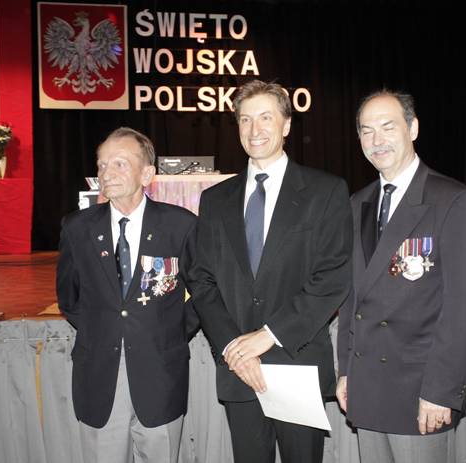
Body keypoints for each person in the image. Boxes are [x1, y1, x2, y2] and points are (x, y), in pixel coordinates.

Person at [190, 79, 353, 463]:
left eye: (266, 117)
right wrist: (233, 348)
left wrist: (268, 335)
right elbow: (201, 279)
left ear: (287, 124)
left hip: (296, 362)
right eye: (245, 119)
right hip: (239, 371)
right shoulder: (215, 200)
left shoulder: (325, 191)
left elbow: (333, 276)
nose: (255, 129)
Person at [336, 90, 466, 462]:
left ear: (413, 128)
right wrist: (346, 371)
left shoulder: (453, 200)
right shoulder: (357, 203)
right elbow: (351, 298)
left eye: (388, 127)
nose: (377, 140)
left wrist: (441, 391)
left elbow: (464, 309)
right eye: (367, 131)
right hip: (367, 385)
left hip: (420, 390)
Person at [56, 127, 198, 463]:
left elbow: (203, 292)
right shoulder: (77, 228)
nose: (107, 173)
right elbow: (69, 298)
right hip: (99, 378)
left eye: (119, 163)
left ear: (147, 174)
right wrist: (102, 329)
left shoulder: (180, 225)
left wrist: (170, 333)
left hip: (161, 376)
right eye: (102, 164)